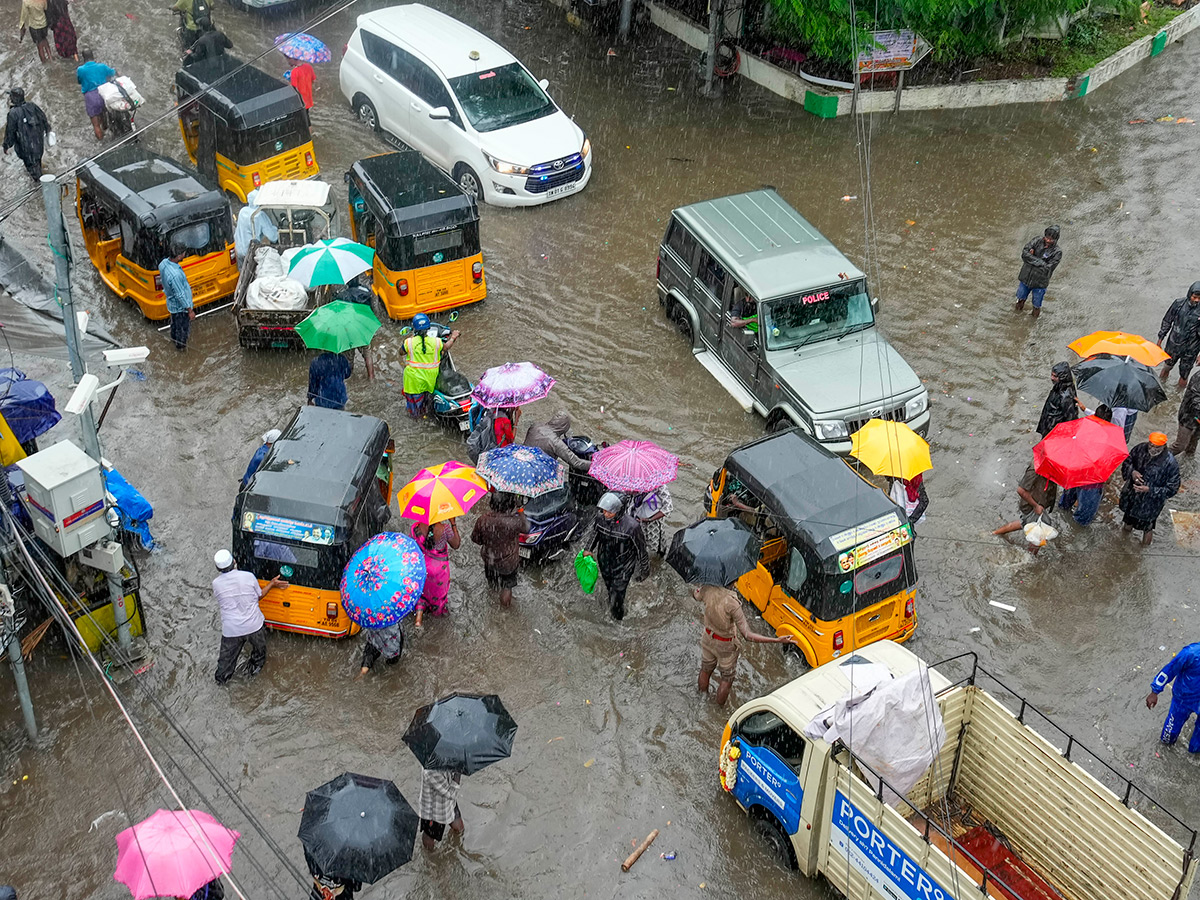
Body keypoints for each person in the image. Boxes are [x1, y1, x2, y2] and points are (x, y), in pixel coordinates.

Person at [695, 582, 793, 706]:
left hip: (707, 639)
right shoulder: (732, 603)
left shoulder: (707, 589)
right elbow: (747, 635)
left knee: (705, 669)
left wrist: (700, 589)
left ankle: (701, 699)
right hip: (725, 646)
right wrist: (777, 640)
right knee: (726, 678)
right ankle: (718, 708)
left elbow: (695, 595)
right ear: (732, 581)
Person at [211, 549, 286, 684]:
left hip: (231, 630)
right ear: (234, 562)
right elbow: (259, 596)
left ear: (218, 568)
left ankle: (221, 682)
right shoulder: (248, 576)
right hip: (254, 626)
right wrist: (272, 583)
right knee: (258, 655)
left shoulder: (216, 584)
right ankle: (251, 677)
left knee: (225, 664)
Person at [581, 492, 648, 621]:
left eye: (609, 512)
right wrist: (588, 549)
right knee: (609, 587)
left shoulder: (632, 527)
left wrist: (644, 571)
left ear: (619, 510)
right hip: (604, 561)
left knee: (618, 596)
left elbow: (641, 551)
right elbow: (594, 535)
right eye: (604, 511)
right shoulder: (600, 519)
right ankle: (613, 602)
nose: (606, 514)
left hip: (624, 566)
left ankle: (618, 620)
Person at [1119, 433, 1180, 546]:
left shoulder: (1170, 463)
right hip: (1132, 495)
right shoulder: (1140, 449)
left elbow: (1172, 488)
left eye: (1157, 447)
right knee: (1127, 522)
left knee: (1147, 528)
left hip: (1150, 504)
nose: (1153, 449)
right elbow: (1127, 461)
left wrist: (1150, 490)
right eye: (1151, 445)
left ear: (1164, 446)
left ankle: (1142, 551)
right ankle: (1122, 544)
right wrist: (1132, 472)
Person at [470, 492, 527, 608]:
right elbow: (527, 528)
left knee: (492, 582)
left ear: (492, 504)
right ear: (510, 504)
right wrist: (520, 509)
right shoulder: (514, 522)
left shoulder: (483, 520)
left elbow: (476, 540)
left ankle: (492, 598)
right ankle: (504, 612)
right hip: (508, 563)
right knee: (507, 586)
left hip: (489, 559)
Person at [1059, 405, 1112, 526]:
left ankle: (1063, 514)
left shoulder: (1081, 428)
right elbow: (1106, 466)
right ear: (1108, 421)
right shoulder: (1108, 440)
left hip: (1074, 473)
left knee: (1065, 504)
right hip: (1091, 482)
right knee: (1084, 517)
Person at [992, 462, 1058, 555]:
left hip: (1038, 505)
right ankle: (1030, 555)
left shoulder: (1050, 468)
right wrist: (1036, 506)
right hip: (1032, 506)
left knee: (1024, 522)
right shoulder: (1035, 469)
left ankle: (995, 533)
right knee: (1038, 535)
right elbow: (1021, 490)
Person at [1146, 643, 1200, 754]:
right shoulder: (1190, 653)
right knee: (1168, 736)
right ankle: (1163, 753)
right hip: (1183, 699)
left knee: (1196, 748)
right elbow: (1170, 669)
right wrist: (1155, 691)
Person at [401, 313, 458, 418]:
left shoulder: (409, 342)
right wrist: (453, 337)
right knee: (426, 405)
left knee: (414, 409)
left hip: (412, 381)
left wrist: (411, 338)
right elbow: (446, 347)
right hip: (429, 381)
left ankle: (416, 420)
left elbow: (401, 352)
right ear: (428, 329)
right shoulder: (436, 342)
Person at [412, 518, 459, 626]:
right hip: (438, 573)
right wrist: (453, 523)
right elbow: (456, 544)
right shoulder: (444, 529)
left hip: (421, 568)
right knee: (437, 600)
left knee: (421, 594)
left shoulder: (416, 528)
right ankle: (437, 619)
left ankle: (419, 618)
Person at [1014, 225, 1062, 318]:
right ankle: (1016, 317)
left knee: (1036, 306)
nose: (1048, 241)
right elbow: (1024, 254)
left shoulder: (1057, 252)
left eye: (1051, 239)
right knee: (1020, 300)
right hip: (1025, 278)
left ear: (1056, 240)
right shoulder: (1036, 241)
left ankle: (1033, 321)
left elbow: (1048, 268)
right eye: (1047, 238)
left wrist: (1032, 259)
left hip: (1040, 283)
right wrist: (1041, 262)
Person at [1159, 283, 1200, 388]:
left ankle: (1179, 396)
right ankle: (1160, 386)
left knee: (1184, 374)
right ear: (1189, 294)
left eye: (1199, 298)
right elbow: (1167, 321)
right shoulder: (1178, 304)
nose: (1196, 300)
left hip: (1192, 348)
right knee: (1166, 367)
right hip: (1174, 343)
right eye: (1194, 297)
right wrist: (1160, 340)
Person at [3, 89, 50, 180]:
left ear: (14, 98)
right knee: (37, 163)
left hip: (26, 149)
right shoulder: (32, 106)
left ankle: (40, 188)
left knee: (34, 173)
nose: (10, 98)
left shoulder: (13, 113)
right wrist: (48, 130)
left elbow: (10, 132)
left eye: (11, 96)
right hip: (38, 145)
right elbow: (43, 119)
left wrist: (6, 145)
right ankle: (41, 178)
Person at [524, 410, 591, 472]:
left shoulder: (535, 426)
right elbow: (576, 463)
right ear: (565, 428)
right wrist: (595, 465)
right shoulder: (556, 443)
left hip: (522, 460)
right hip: (539, 470)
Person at [419, 767, 464, 850]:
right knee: (429, 837)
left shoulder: (444, 759)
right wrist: (458, 772)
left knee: (459, 828)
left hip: (449, 802)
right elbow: (451, 794)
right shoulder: (431, 772)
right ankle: (428, 853)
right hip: (435, 810)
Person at [159, 248, 195, 350]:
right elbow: (180, 295)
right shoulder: (175, 275)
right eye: (183, 253)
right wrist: (190, 310)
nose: (184, 255)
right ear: (178, 256)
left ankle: (174, 340)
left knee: (174, 325)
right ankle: (181, 348)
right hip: (181, 308)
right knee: (182, 330)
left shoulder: (163, 264)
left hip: (172, 305)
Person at [76, 50, 115, 141]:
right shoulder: (102, 66)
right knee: (104, 117)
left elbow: (79, 81)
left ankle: (102, 144)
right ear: (93, 57)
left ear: (84, 59)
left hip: (90, 97)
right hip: (103, 94)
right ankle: (108, 135)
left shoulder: (80, 70)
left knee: (96, 125)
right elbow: (113, 72)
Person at [233, 188, 280, 261]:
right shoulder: (259, 215)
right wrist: (277, 234)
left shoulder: (243, 211)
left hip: (238, 248)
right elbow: (272, 236)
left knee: (243, 269)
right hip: (250, 250)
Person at [1036, 362, 1078, 438]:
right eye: (1051, 374)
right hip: (1050, 424)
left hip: (1055, 430)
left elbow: (1070, 418)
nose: (1052, 378)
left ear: (1062, 377)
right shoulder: (1059, 386)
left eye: (1055, 376)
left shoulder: (1066, 397)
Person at [632, 486, 672, 556]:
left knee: (656, 546)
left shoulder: (660, 486)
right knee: (638, 544)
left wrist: (650, 519)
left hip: (653, 521)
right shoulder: (632, 483)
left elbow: (668, 508)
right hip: (636, 519)